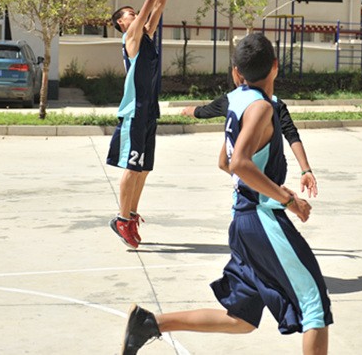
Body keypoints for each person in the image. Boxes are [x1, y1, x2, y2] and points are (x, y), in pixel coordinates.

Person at [122, 33, 332, 355]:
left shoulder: (236, 100)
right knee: (313, 305)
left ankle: (150, 323)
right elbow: (239, 163)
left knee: (242, 318)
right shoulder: (261, 107)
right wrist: (286, 199)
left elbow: (226, 162)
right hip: (262, 221)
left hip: (243, 222)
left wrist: (269, 186)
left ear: (236, 72)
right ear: (276, 67)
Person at [106, 0, 186, 249]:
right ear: (122, 23)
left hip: (149, 109)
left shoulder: (147, 36)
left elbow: (159, 4)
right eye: (130, 13)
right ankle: (121, 218)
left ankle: (130, 215)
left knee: (144, 167)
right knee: (132, 165)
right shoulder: (131, 38)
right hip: (134, 110)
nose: (135, 13)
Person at [181, 73, 318, 198]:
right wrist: (305, 170)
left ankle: (255, 185)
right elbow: (291, 134)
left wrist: (188, 111)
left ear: (237, 73)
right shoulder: (274, 103)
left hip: (249, 186)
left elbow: (203, 112)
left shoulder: (230, 101)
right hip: (271, 177)